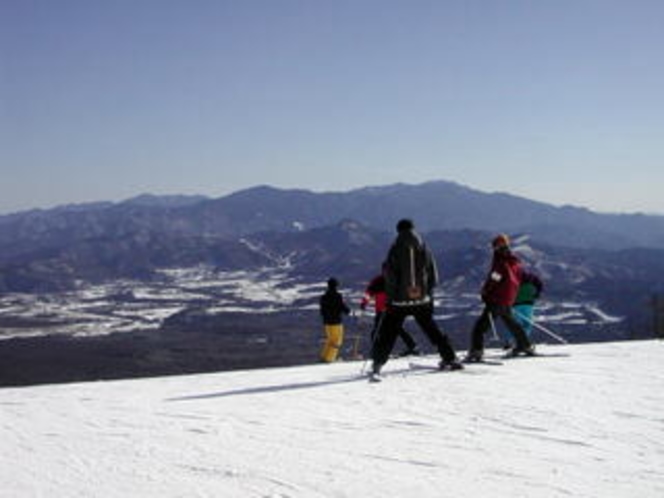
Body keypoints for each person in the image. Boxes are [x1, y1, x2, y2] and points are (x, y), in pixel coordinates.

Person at [369, 219, 462, 380]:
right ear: (413, 229)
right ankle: (450, 357)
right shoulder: (424, 248)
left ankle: (378, 364)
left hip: (398, 302)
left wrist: (391, 298)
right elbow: (433, 274)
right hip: (422, 300)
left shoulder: (395, 248)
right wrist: (427, 293)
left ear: (398, 231)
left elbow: (390, 277)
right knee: (432, 329)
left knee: (388, 333)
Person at [465, 234, 535, 362]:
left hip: (496, 299)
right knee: (512, 323)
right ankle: (525, 345)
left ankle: (476, 351)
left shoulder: (500, 262)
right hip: (508, 298)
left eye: (495, 246)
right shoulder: (514, 261)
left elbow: (495, 278)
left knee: (480, 327)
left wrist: (485, 292)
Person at [360, 267, 420, 357]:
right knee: (380, 331)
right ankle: (411, 346)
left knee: (394, 329)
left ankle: (412, 346)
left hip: (392, 310)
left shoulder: (389, 280)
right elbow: (369, 293)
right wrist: (364, 303)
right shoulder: (379, 281)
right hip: (383, 310)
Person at [319, 277, 351, 363]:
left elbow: (322, 310)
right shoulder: (338, 296)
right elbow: (341, 306)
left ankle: (324, 356)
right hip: (336, 322)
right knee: (337, 341)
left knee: (330, 339)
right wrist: (348, 311)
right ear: (336, 286)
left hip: (327, 322)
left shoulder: (323, 297)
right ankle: (329, 359)